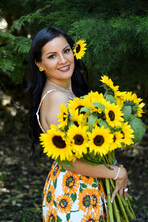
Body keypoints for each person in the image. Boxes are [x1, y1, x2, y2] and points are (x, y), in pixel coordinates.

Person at [27, 26, 128, 221]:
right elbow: (70, 161)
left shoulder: (65, 92)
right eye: (52, 56)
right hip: (74, 193)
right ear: (39, 64)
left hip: (83, 187)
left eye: (66, 51)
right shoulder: (57, 98)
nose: (63, 60)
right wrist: (117, 172)